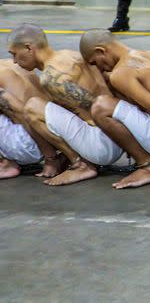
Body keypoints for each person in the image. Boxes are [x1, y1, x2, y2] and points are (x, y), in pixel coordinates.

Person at [8, 24, 124, 186]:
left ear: (29, 48)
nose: (14, 61)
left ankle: (80, 164)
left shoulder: (51, 76)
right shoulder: (71, 55)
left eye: (15, 54)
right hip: (120, 138)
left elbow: (90, 116)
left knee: (33, 107)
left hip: (101, 146)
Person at [79, 30, 150, 189]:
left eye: (94, 62)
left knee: (101, 106)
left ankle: (148, 166)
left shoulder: (121, 73)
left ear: (101, 51)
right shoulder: (149, 54)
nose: (98, 68)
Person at [0, 59, 64, 179]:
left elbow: (19, 112)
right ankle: (9, 161)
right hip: (51, 134)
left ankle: (7, 164)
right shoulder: (15, 62)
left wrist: (50, 158)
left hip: (27, 145)